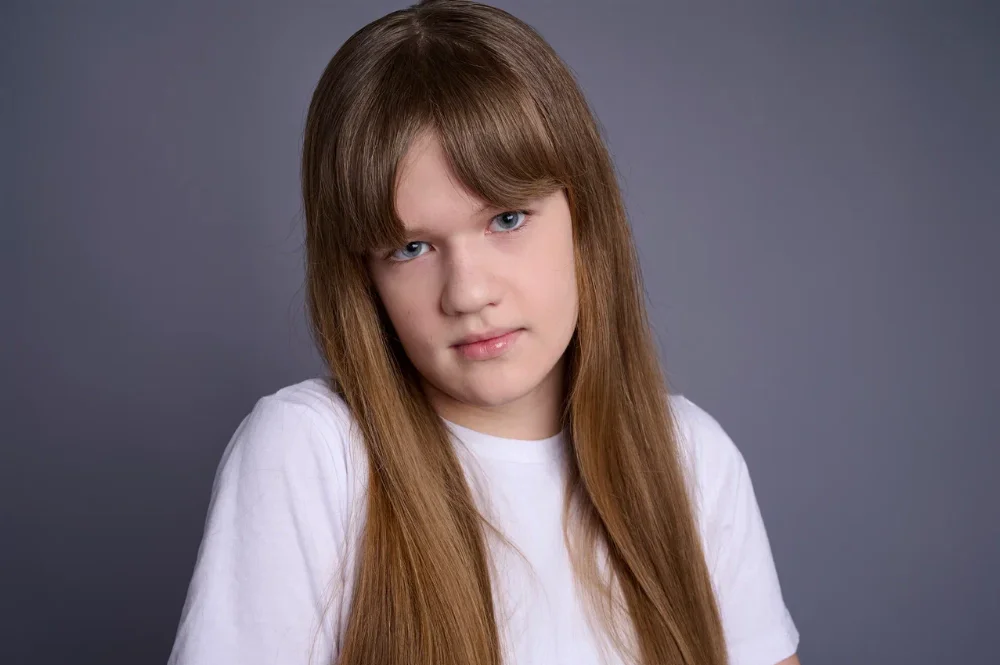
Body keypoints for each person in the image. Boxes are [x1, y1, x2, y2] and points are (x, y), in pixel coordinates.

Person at [168, 1, 801, 664]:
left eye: (506, 220)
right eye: (411, 248)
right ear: (363, 277)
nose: (468, 293)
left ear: (584, 217)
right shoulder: (315, 454)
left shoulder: (690, 458)